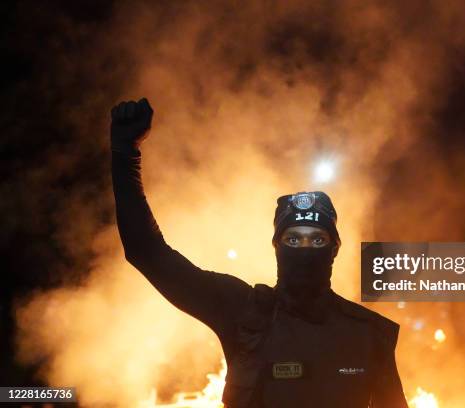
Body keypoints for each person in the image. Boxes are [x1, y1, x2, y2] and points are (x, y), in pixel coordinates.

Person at [110, 98, 408, 408]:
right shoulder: (243, 312)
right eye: (293, 239)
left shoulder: (369, 335)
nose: (304, 250)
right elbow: (147, 253)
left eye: (316, 240)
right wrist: (125, 154)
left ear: (334, 249)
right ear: (277, 247)